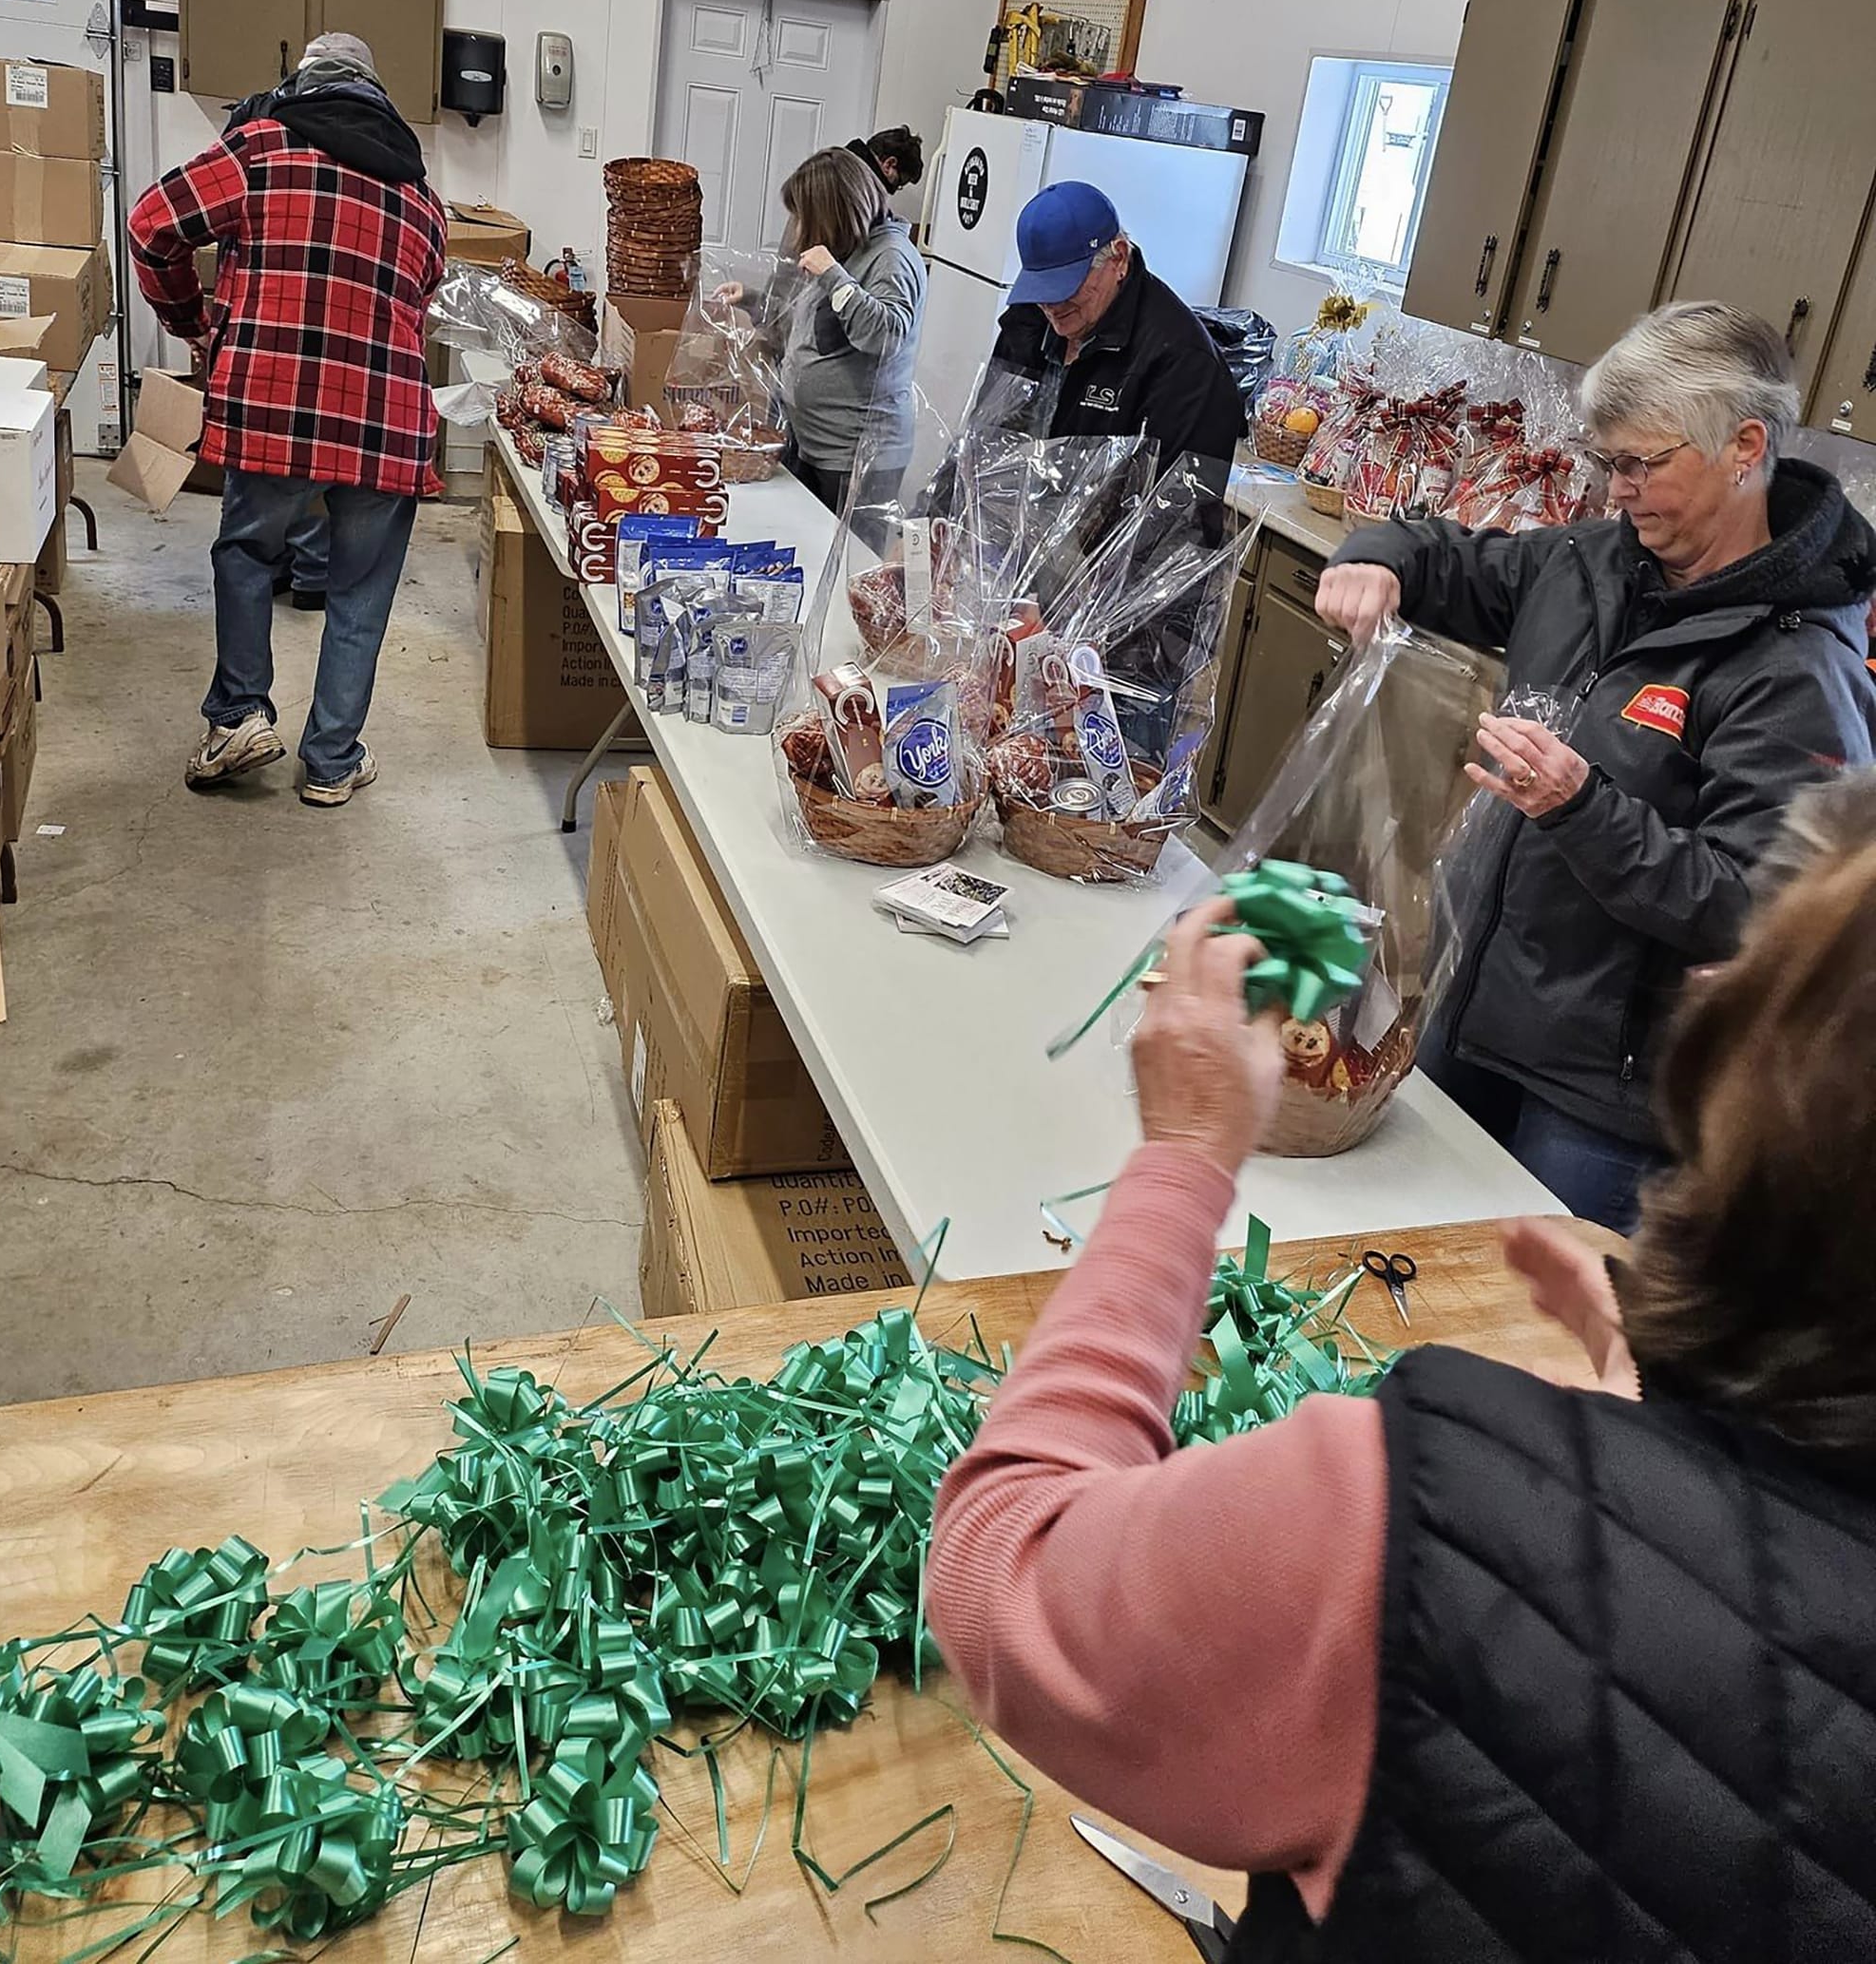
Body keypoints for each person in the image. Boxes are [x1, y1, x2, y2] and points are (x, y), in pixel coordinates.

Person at [928, 791, 1876, 1958]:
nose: (1699, 986)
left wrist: (1181, 1158)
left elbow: (1001, 1573)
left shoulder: (1419, 1520)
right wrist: (1678, 1419)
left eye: (1763, 975)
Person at [1316, 301, 1876, 1229]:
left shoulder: (1795, 672)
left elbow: (1759, 918)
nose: (1614, 490)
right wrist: (1377, 558)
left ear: (1742, 448)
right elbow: (1447, 559)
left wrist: (1579, 807)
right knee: (1391, 1254)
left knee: (1529, 1332)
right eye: (1604, 461)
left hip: (1600, 1104)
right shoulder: (1592, 564)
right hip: (1469, 1011)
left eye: (1639, 464)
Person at [129, 32, 446, 807]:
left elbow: (150, 224)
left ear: (302, 85)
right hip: (387, 419)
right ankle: (332, 761)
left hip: (275, 400)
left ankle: (239, 716)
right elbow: (420, 309)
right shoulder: (424, 200)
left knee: (246, 552)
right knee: (361, 593)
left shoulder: (261, 146)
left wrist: (193, 319)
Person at [976, 181, 1243, 479]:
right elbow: (981, 441)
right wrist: (933, 516)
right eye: (1041, 286)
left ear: (1118, 258)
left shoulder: (1185, 365)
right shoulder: (1028, 321)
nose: (1050, 305)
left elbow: (1177, 513)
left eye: (1066, 285)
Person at [741, 147, 926, 514]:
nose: (798, 231)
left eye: (806, 218)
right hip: (812, 443)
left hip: (855, 456)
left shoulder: (892, 257)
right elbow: (809, 327)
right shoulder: (844, 252)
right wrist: (751, 299)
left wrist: (832, 275)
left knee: (847, 565)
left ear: (836, 213)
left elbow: (886, 335)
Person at [846, 125, 925, 197]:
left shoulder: (841, 166)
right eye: (898, 183)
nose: (892, 191)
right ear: (889, 164)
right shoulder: (856, 193)